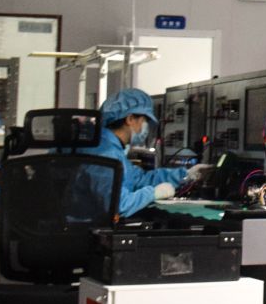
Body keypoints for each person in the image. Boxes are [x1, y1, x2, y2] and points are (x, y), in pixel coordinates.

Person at [88, 89, 208, 218]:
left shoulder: (111, 148)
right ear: (130, 119)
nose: (146, 127)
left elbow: (140, 179)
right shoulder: (105, 153)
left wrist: (187, 175)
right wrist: (152, 194)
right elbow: (118, 205)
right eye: (144, 120)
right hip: (89, 228)